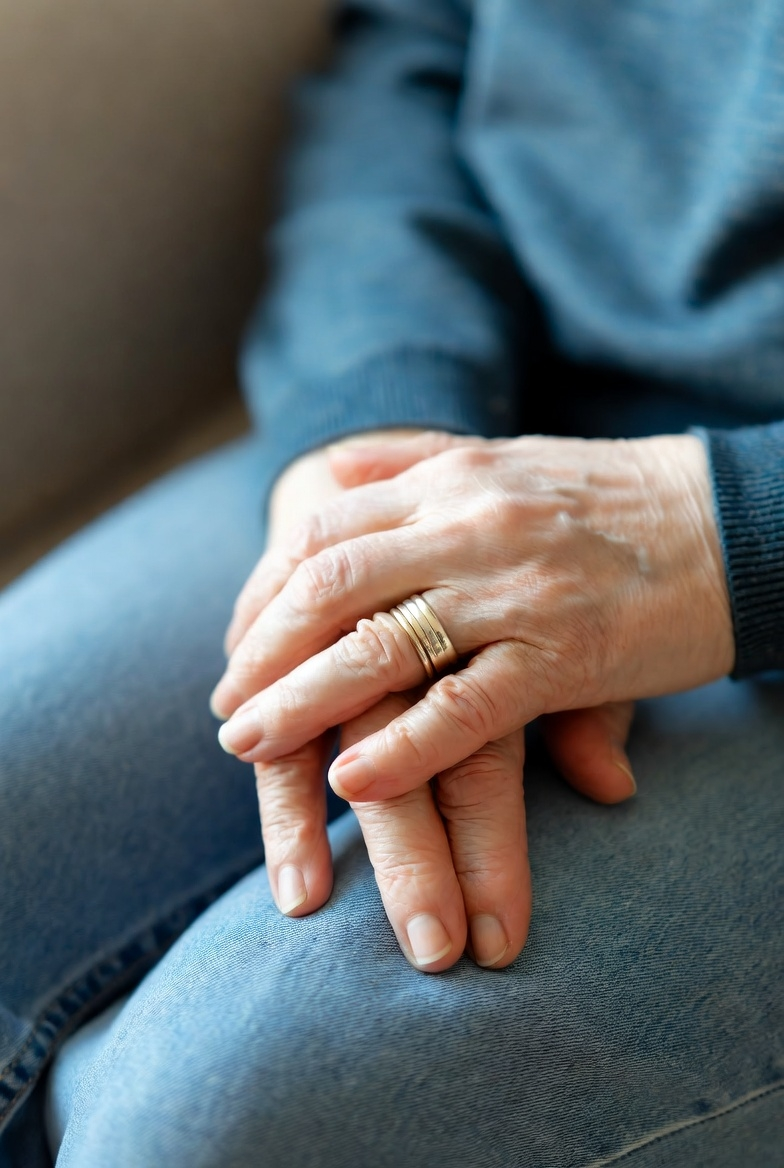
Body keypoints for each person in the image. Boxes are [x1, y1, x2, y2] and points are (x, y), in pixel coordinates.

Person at [1, 0, 782, 1164]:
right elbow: (416, 36)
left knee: (210, 1119)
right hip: (489, 411)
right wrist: (377, 421)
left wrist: (716, 533)